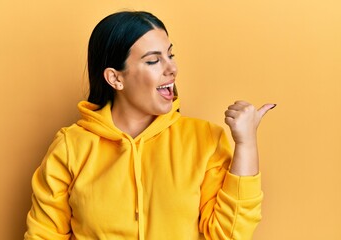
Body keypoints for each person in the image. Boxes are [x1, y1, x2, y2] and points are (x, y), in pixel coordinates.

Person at [24, 11, 275, 240]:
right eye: (153, 61)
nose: (172, 69)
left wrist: (246, 144)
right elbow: (44, 235)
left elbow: (228, 234)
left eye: (170, 55)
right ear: (115, 78)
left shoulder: (205, 139)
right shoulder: (71, 147)